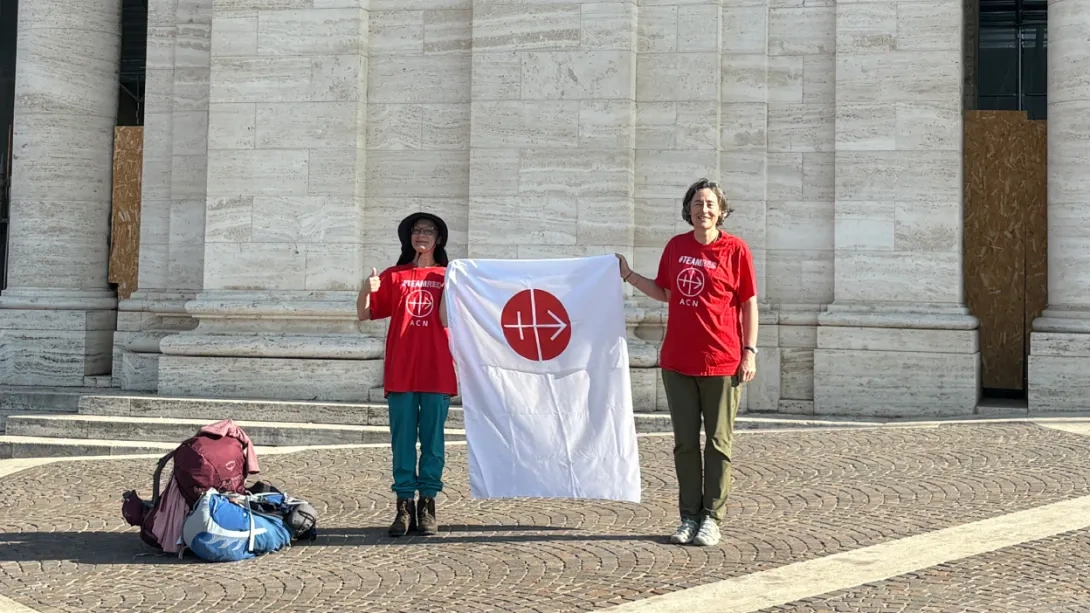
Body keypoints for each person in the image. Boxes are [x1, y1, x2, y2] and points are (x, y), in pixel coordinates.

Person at [615, 178, 758, 547]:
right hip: (677, 360)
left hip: (722, 360)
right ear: (688, 210)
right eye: (697, 203)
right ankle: (688, 516)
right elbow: (666, 292)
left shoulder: (736, 250)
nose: (703, 209)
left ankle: (712, 517)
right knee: (683, 444)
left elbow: (747, 304)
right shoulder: (677, 247)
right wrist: (629, 275)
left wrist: (750, 351)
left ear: (721, 210)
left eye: (710, 203)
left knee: (718, 443)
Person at [357, 212, 458, 537]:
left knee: (433, 442)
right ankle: (404, 505)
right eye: (416, 231)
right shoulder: (394, 275)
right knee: (402, 441)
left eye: (428, 231)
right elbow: (365, 314)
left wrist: (452, 285)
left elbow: (448, 320)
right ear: (409, 238)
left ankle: (428, 503)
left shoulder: (448, 275)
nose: (422, 235)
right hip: (401, 370)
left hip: (436, 369)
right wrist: (365, 288)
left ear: (438, 239)